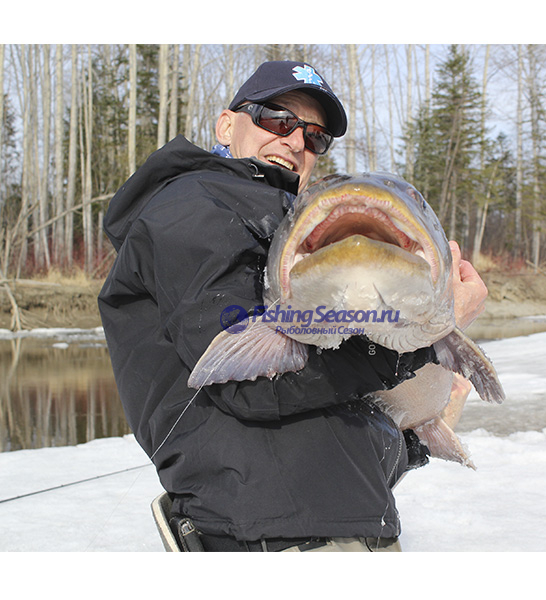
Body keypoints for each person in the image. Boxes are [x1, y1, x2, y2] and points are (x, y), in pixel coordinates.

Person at [98, 60, 487, 552]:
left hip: (341, 528)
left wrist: (409, 440)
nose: (296, 141)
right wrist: (424, 341)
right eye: (277, 119)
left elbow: (323, 423)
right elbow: (249, 385)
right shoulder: (194, 205)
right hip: (274, 540)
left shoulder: (272, 223)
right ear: (226, 125)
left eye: (315, 136)